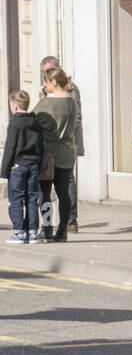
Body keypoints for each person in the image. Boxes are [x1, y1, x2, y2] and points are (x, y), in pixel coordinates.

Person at [31, 68, 79, 242]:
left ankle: (47, 229)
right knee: (63, 192)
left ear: (53, 82)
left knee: (45, 192)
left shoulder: (46, 104)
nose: (44, 85)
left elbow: (31, 122)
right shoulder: (72, 102)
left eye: (46, 81)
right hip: (67, 152)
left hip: (47, 154)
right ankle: (63, 230)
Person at [2, 90, 43, 244]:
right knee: (32, 199)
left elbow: (10, 148)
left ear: (15, 107)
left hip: (18, 166)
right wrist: (40, 163)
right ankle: (32, 233)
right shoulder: (36, 123)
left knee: (16, 200)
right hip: (33, 165)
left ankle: (18, 232)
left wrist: (4, 171)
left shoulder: (15, 124)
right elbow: (41, 146)